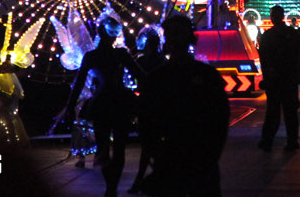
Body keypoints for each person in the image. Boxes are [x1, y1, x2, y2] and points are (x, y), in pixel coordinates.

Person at [138, 15, 229, 197]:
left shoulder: (158, 78)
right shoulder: (205, 75)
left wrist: (154, 153)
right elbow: (221, 119)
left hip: (179, 156)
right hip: (193, 156)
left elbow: (146, 121)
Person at [66, 15, 142, 197]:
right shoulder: (120, 54)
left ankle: (111, 187)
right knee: (118, 148)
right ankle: (112, 187)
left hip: (102, 103)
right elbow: (141, 75)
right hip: (120, 102)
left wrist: (70, 105)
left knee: (104, 148)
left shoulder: (93, 56)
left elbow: (78, 83)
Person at [128, 25, 168, 194]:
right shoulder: (164, 62)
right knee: (155, 143)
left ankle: (143, 178)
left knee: (147, 144)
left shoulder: (141, 61)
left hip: (145, 106)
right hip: (160, 106)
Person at [257, 5, 300, 151]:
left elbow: (264, 58)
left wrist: (268, 75)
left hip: (275, 80)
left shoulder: (268, 36)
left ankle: (267, 140)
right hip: (288, 79)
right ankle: (292, 141)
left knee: (273, 112)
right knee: (290, 112)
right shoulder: (292, 33)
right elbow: (297, 55)